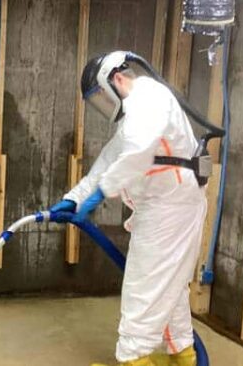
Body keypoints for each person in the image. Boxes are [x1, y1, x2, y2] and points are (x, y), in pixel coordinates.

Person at [51, 51, 206, 366]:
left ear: (117, 79)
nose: (103, 106)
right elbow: (108, 162)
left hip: (169, 208)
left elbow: (136, 154)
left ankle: (133, 359)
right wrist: (75, 199)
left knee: (144, 287)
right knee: (169, 286)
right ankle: (183, 355)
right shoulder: (135, 116)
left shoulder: (147, 97)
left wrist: (102, 192)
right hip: (168, 206)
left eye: (100, 96)